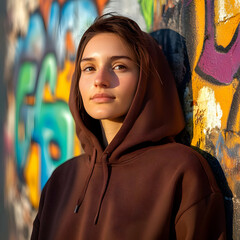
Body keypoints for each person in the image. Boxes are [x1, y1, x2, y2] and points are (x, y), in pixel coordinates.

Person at [31, 14, 226, 239]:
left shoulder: (182, 171)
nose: (100, 80)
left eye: (119, 66)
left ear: (145, 78)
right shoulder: (61, 180)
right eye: (89, 68)